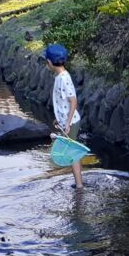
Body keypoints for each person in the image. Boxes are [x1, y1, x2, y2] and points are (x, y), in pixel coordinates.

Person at [44, 43, 84, 189]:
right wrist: (59, 119)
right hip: (67, 121)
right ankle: (78, 183)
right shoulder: (60, 77)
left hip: (71, 122)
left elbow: (73, 101)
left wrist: (67, 123)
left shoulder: (63, 78)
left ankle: (79, 185)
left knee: (73, 153)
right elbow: (63, 102)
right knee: (72, 152)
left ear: (49, 62)